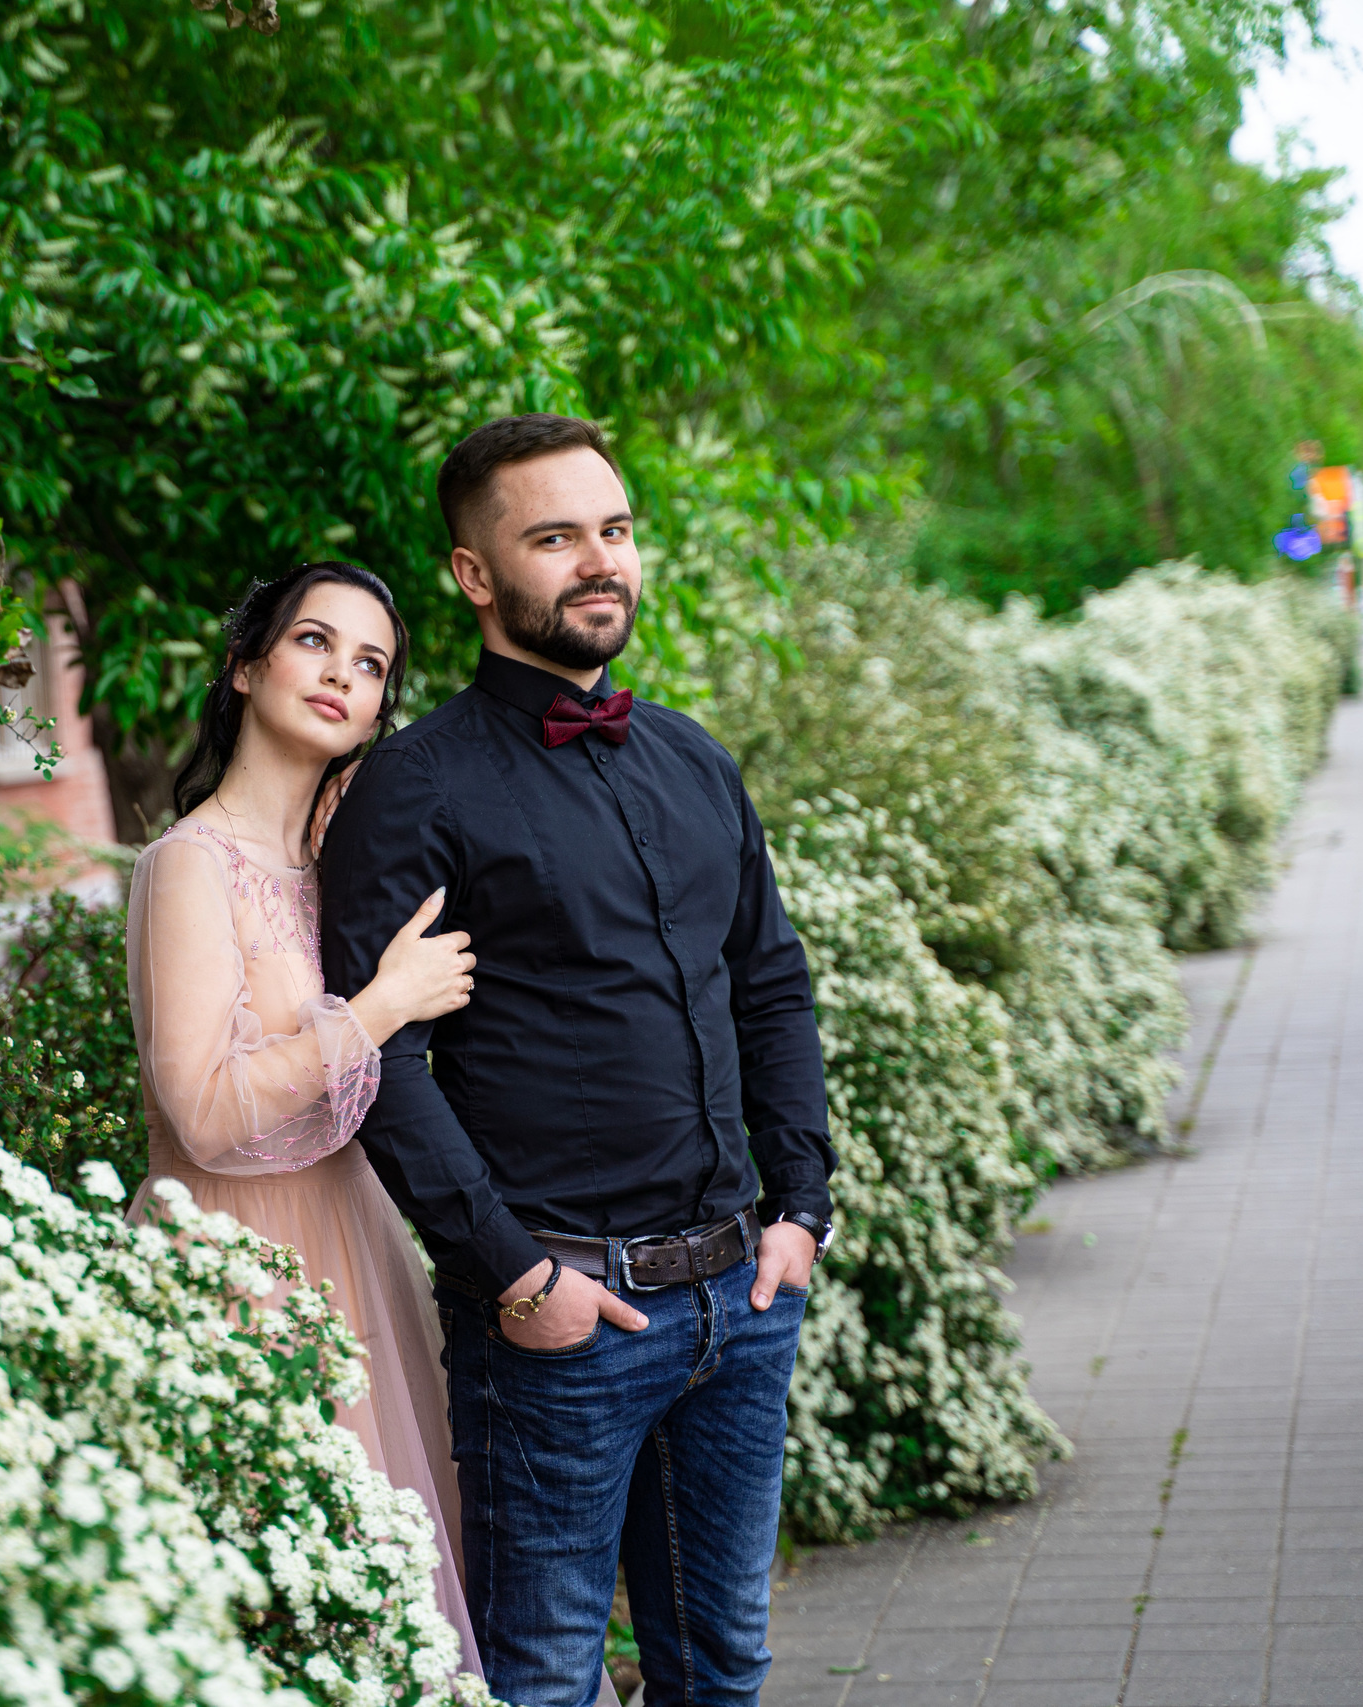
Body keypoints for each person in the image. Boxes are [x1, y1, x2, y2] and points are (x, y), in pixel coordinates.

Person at [318, 414, 838, 1707]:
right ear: (475, 575)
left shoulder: (693, 757)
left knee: (724, 1669)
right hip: (561, 1324)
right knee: (541, 1678)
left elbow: (769, 983)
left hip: (743, 1299)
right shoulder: (412, 788)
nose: (598, 561)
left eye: (612, 530)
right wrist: (515, 1270)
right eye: (554, 538)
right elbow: (385, 1054)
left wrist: (803, 1205)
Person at [120, 561, 486, 1672]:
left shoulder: (344, 870)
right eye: (314, 642)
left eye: (369, 664)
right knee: (288, 1616)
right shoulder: (189, 866)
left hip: (359, 1252)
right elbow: (202, 1113)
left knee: (402, 1598)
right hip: (240, 1277)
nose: (341, 674)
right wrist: (377, 1008)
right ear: (245, 666)